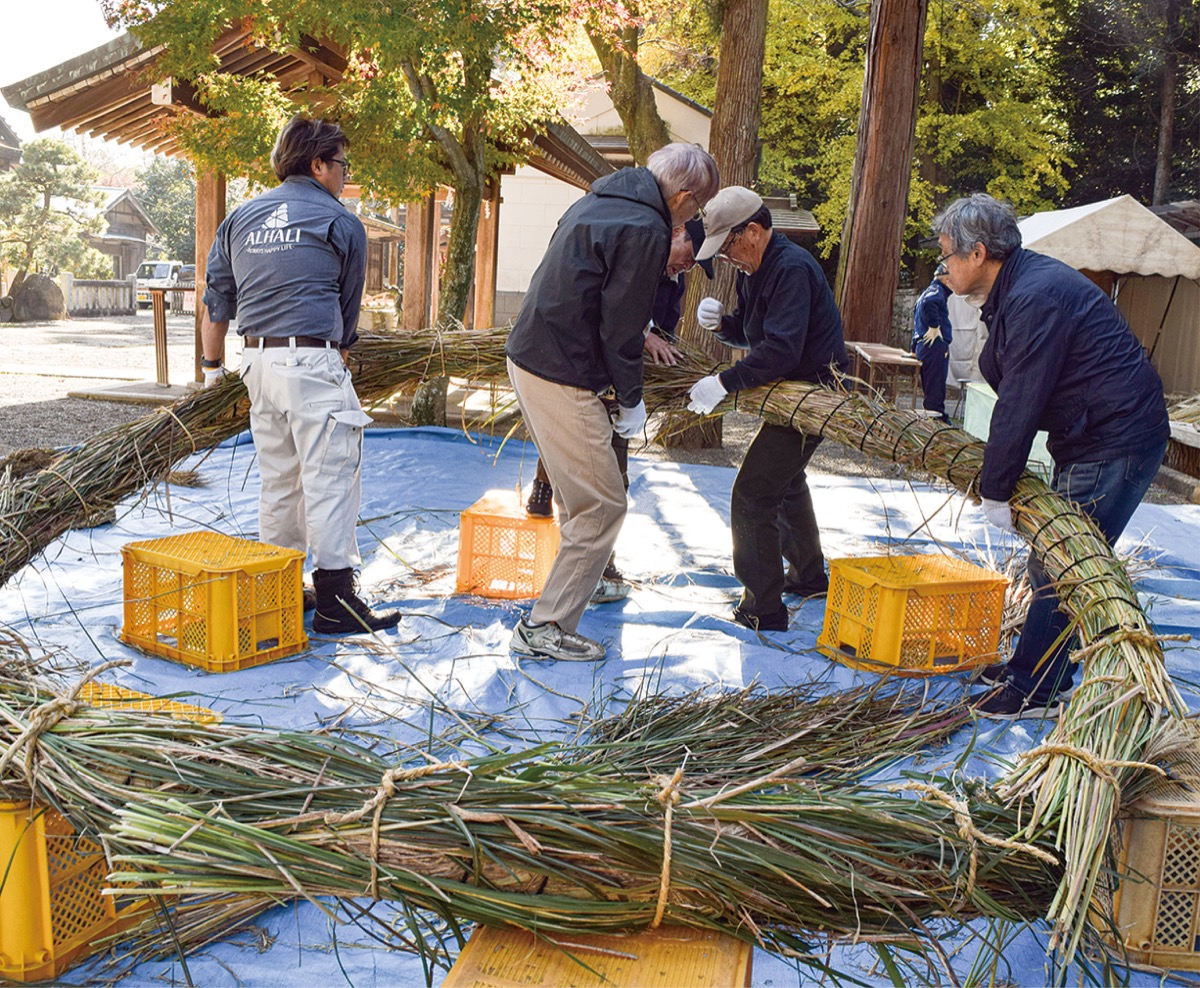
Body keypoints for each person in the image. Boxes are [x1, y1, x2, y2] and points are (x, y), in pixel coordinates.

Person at [931, 193, 1170, 718]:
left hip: (1117, 440)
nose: (942, 266)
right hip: (1093, 433)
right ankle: (1042, 670)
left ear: (977, 253)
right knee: (1055, 562)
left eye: (946, 254)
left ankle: (1033, 689)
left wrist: (995, 487)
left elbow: (1021, 397)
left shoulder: (1036, 295)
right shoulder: (1018, 285)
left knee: (1059, 565)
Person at [506, 142, 720, 661]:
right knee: (604, 503)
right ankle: (545, 627)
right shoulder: (645, 227)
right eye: (694, 209)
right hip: (559, 368)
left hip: (532, 353)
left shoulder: (597, 199)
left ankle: (584, 582)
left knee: (582, 492)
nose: (688, 220)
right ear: (685, 196)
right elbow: (621, 327)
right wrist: (631, 399)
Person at [199, 115, 400, 636]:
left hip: (258, 365)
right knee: (331, 479)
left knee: (280, 482)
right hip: (312, 361)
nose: (344, 175)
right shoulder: (340, 221)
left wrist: (210, 373)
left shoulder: (239, 219)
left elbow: (217, 302)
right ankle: (337, 603)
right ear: (318, 164)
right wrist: (342, 349)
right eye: (342, 165)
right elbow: (347, 307)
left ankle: (278, 593)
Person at [686, 186, 848, 632]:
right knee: (786, 482)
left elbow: (780, 350)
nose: (727, 260)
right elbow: (755, 333)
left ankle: (764, 609)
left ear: (753, 232)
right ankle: (810, 578)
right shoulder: (753, 269)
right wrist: (724, 325)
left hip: (813, 395)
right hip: (790, 394)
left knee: (753, 493)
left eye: (729, 248)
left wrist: (723, 382)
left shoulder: (791, 269)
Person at [523, 220, 710, 605]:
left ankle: (598, 560)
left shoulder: (673, 278)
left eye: (693, 266)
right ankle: (587, 567)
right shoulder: (634, 254)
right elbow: (606, 311)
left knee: (606, 468)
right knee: (593, 473)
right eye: (687, 258)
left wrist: (659, 353)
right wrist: (644, 337)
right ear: (676, 232)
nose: (685, 268)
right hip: (587, 369)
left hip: (623, 377)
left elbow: (663, 329)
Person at [912, 266, 953, 423]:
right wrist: (934, 326)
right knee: (936, 388)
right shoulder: (936, 291)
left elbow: (917, 323)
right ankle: (937, 423)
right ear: (946, 278)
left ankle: (934, 419)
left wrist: (913, 347)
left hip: (925, 345)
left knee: (931, 388)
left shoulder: (926, 292)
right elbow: (930, 304)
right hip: (934, 346)